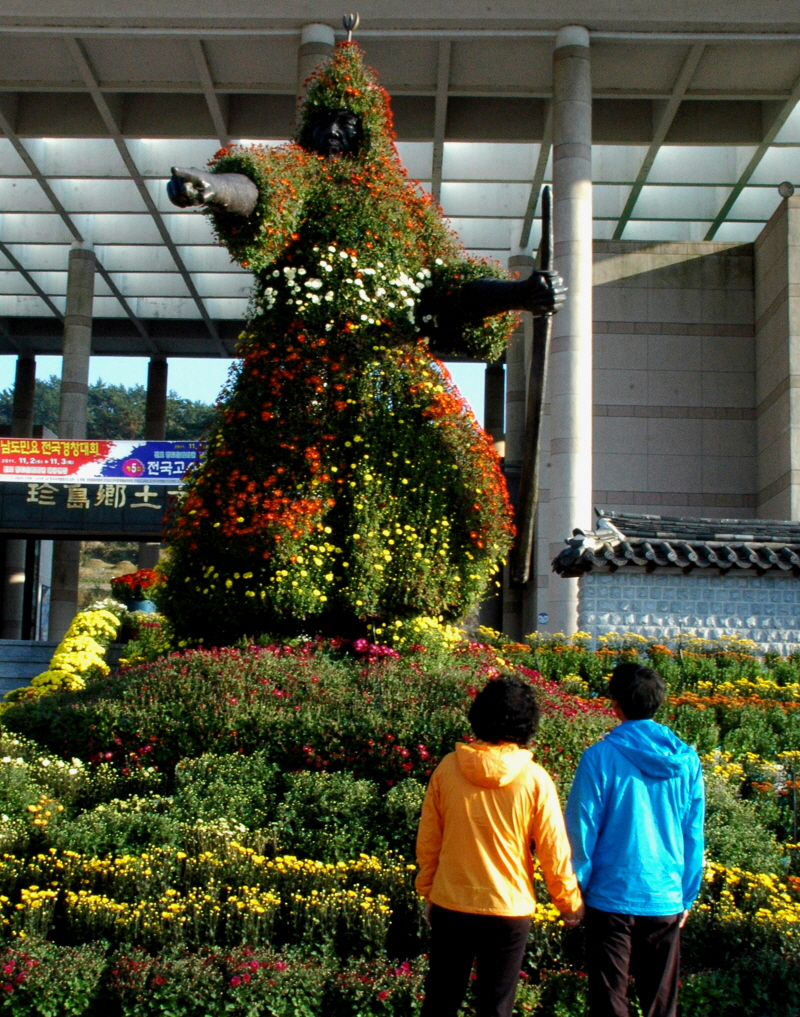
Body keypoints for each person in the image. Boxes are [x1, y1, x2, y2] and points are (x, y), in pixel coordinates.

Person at [415, 675, 584, 1017]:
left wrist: (428, 890)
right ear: (528, 723)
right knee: (496, 1006)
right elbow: (554, 850)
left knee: (440, 1000)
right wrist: (568, 904)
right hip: (509, 907)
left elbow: (429, 840)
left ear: (479, 715)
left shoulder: (448, 769)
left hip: (452, 901)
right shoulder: (536, 779)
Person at [565, 663, 705, 1017]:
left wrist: (575, 887)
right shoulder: (687, 761)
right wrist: (686, 893)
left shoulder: (598, 758)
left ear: (616, 705)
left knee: (609, 1001)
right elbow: (693, 833)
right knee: (661, 1005)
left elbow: (581, 829)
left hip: (610, 897)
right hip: (665, 896)